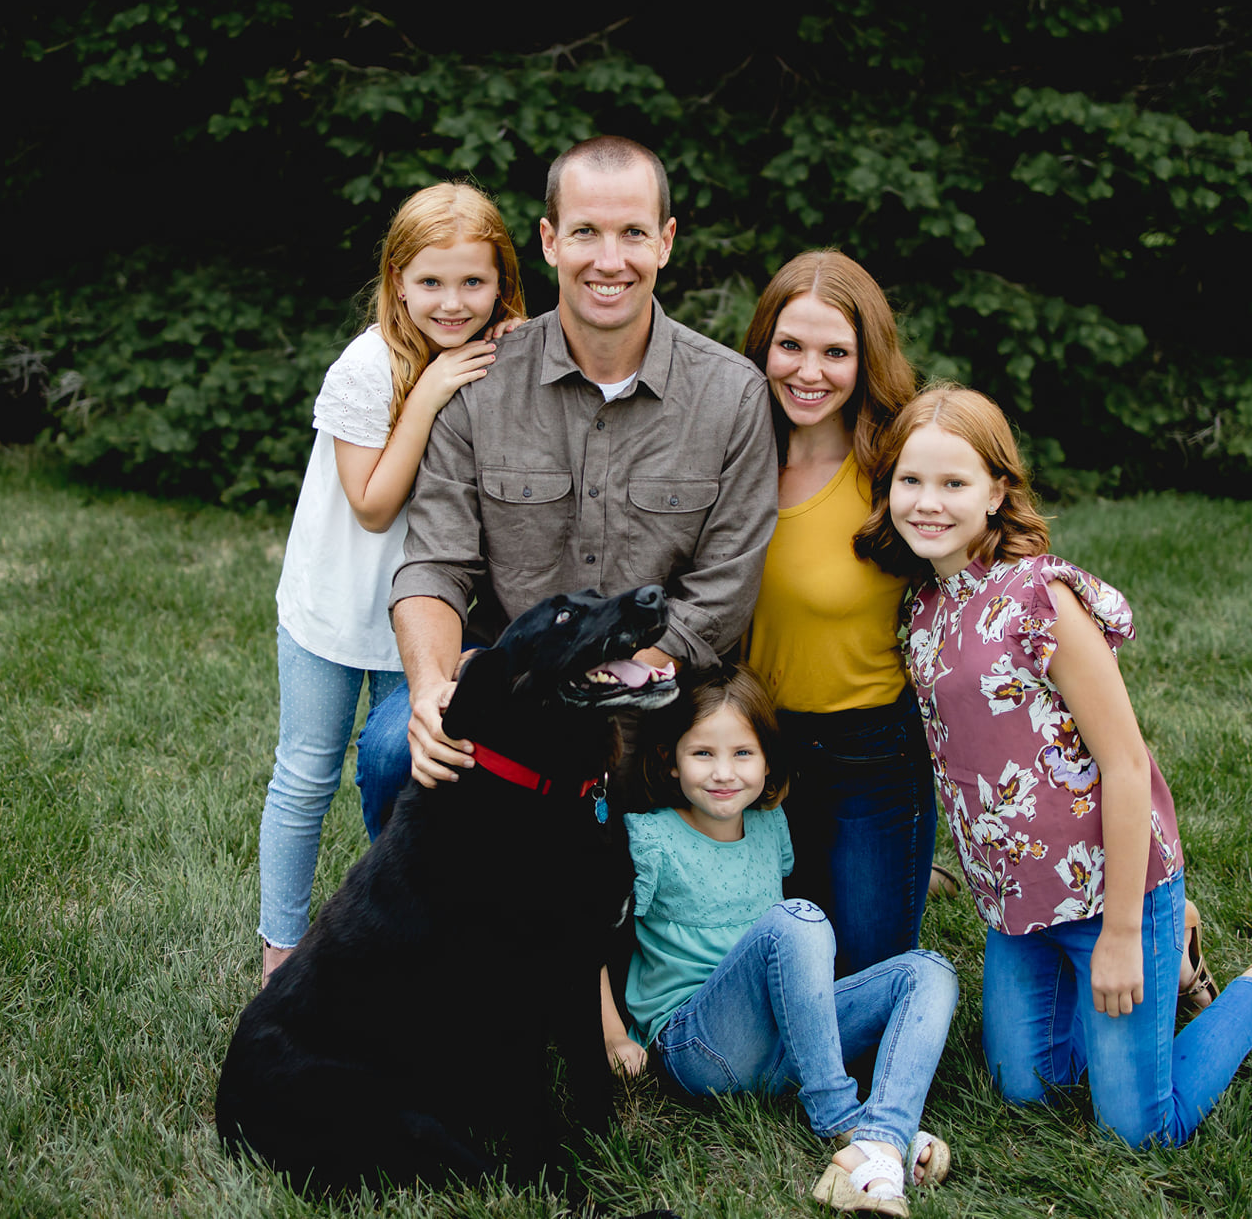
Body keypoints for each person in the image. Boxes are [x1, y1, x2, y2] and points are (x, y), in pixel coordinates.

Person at [852, 383, 1252, 1148]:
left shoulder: (1039, 598)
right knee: (1024, 1088)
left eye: (954, 482)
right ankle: (1173, 961)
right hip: (1018, 905)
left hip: (1111, 890)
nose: (927, 501)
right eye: (910, 480)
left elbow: (1128, 765)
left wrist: (1124, 933)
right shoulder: (921, 610)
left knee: (1141, 1127)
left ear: (998, 490)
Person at [361, 135, 778, 820]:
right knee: (390, 749)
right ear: (551, 241)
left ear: (666, 242)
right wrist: (434, 687)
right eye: (586, 232)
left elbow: (721, 597)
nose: (608, 260)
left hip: (658, 688)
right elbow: (435, 565)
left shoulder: (732, 396)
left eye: (633, 233)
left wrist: (604, 677)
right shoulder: (480, 380)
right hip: (510, 680)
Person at [255, 182, 527, 981]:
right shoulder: (370, 364)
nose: (452, 302)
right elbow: (373, 505)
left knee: (412, 770)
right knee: (307, 770)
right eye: (432, 282)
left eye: (473, 282)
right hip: (336, 610)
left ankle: (406, 929)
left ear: (501, 279)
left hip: (429, 612)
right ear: (397, 279)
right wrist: (434, 387)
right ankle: (281, 949)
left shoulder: (498, 354)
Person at [604, 669, 958, 1218]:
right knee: (797, 919)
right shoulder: (648, 838)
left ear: (769, 762)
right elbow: (593, 943)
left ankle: (883, 1140)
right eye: (702, 754)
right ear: (671, 761)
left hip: (785, 1045)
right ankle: (844, 1127)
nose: (723, 773)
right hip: (696, 1046)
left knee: (930, 971)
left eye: (743, 753)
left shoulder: (770, 828)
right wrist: (613, 1039)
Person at [738, 249, 943, 978]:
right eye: (790, 346)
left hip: (870, 754)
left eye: (836, 352)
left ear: (867, 358)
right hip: (753, 754)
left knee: (862, 984)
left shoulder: (897, 471)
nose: (809, 370)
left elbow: (989, 566)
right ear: (762, 344)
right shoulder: (732, 457)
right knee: (777, 976)